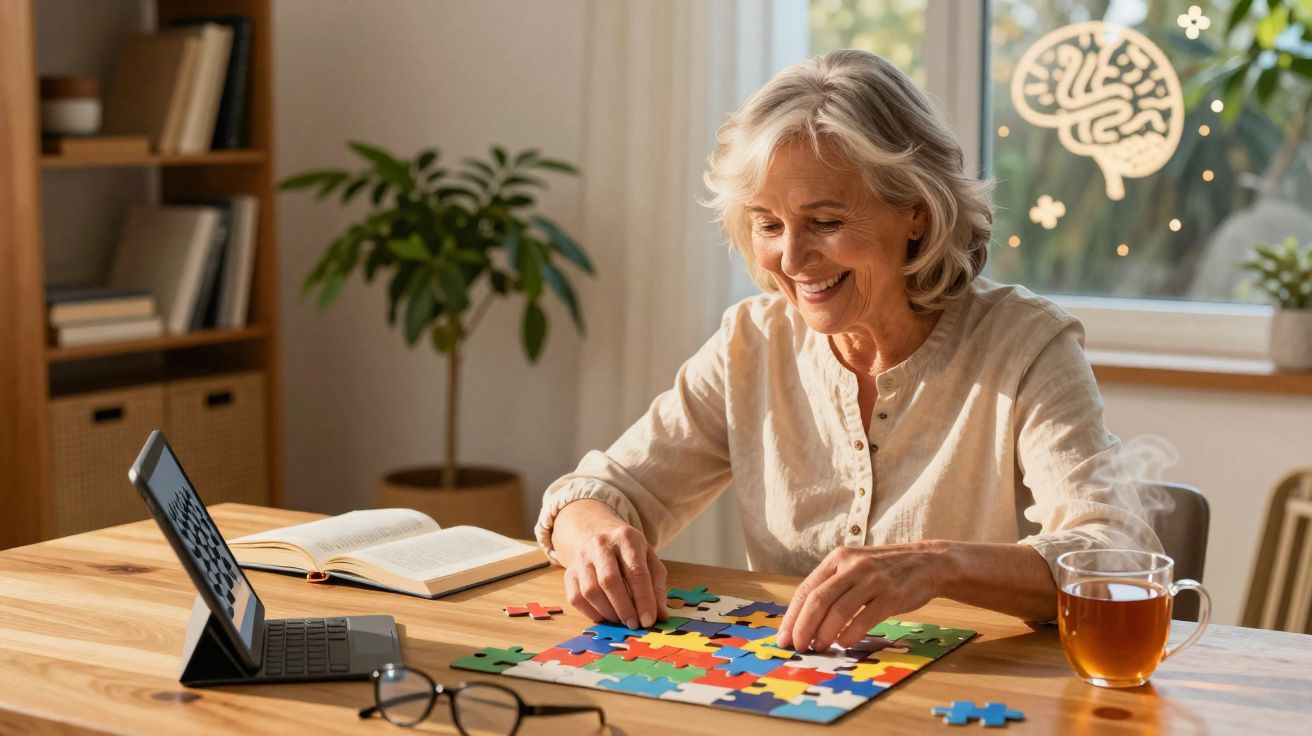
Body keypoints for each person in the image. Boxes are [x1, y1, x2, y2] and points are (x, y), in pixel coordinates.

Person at [534, 49, 1160, 653]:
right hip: (793, 699)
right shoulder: (752, 342)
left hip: (980, 703)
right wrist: (595, 534)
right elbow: (599, 491)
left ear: (916, 212)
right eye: (768, 224)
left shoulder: (1026, 345)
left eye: (826, 222)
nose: (791, 258)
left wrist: (938, 564)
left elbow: (1113, 559)